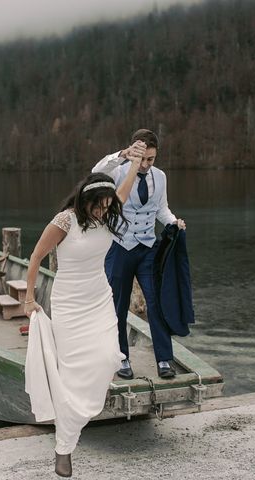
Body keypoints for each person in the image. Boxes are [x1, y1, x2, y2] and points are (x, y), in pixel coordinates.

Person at [23, 158, 143, 478]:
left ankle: (79, 419)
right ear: (85, 201)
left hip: (99, 299)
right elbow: (35, 257)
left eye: (108, 206)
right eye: (99, 206)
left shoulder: (106, 212)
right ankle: (64, 449)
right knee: (72, 378)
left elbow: (125, 191)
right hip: (69, 305)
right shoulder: (65, 221)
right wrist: (29, 298)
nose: (104, 212)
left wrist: (134, 161)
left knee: (107, 359)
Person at [92, 128, 186, 380]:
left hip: (147, 248)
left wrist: (174, 222)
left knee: (156, 303)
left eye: (151, 159)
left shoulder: (161, 177)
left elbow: (161, 209)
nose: (145, 165)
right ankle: (121, 357)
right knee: (118, 306)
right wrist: (123, 155)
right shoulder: (119, 170)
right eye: (142, 159)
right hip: (119, 247)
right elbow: (95, 172)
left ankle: (164, 359)